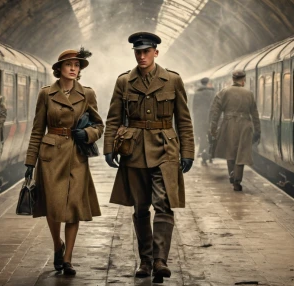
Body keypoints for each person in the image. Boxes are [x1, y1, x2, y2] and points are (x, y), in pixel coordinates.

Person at [103, 32, 194, 280]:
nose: (141, 56)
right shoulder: (124, 82)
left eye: (146, 51)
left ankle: (160, 259)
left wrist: (188, 151)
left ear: (156, 52)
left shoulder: (172, 80)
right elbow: (113, 118)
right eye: (138, 52)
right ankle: (145, 261)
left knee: (163, 203)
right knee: (140, 206)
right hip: (134, 152)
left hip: (165, 149)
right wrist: (109, 147)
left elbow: (183, 120)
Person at [24, 48, 103, 276]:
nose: (73, 68)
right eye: (68, 64)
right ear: (59, 69)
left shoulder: (87, 94)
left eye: (76, 65)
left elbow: (99, 126)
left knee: (74, 207)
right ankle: (58, 245)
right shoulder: (46, 94)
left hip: (76, 156)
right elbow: (37, 129)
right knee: (53, 207)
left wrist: (87, 135)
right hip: (50, 156)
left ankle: (67, 259)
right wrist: (30, 161)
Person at [209, 70, 260, 191]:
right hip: (245, 125)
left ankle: (232, 174)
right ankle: (237, 179)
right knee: (241, 153)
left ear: (233, 79)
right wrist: (258, 130)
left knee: (230, 152)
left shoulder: (223, 92)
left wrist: (213, 129)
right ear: (244, 80)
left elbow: (215, 112)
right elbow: (255, 114)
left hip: (229, 124)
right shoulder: (249, 94)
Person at [193, 77, 215, 165]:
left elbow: (194, 108)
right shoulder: (212, 93)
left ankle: (203, 154)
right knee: (210, 136)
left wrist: (195, 120)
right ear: (208, 83)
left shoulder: (197, 93)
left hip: (200, 118)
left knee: (202, 136)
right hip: (210, 118)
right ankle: (209, 154)